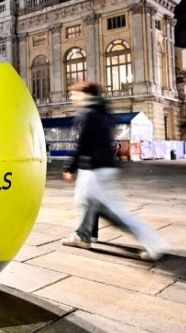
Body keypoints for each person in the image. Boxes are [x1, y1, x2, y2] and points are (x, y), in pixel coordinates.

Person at [61, 80, 167, 261]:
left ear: (86, 94)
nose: (73, 97)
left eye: (75, 93)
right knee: (85, 202)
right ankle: (82, 236)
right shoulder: (103, 112)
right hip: (103, 167)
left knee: (114, 212)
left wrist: (69, 167)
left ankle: (154, 242)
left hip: (94, 169)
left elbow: (82, 144)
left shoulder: (88, 114)